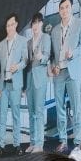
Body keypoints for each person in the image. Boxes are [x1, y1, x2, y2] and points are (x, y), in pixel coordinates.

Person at [50, 0, 81, 153]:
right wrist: (53, 66)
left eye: (67, 7)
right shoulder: (54, 30)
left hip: (73, 71)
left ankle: (78, 141)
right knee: (59, 108)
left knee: (76, 106)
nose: (64, 10)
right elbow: (53, 54)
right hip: (59, 73)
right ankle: (63, 140)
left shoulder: (80, 24)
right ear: (59, 11)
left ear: (71, 8)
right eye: (62, 8)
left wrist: (73, 53)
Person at [0, 13, 29, 156]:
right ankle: (1, 145)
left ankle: (17, 144)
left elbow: (26, 60)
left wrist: (18, 66)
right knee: (2, 116)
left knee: (16, 115)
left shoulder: (23, 41)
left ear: (16, 24)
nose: (9, 27)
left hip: (15, 84)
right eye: (7, 25)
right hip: (4, 84)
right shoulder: (1, 44)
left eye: (12, 24)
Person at [25, 13, 53, 153]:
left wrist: (42, 57)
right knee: (31, 112)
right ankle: (32, 142)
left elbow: (48, 55)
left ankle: (40, 144)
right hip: (30, 78)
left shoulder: (46, 37)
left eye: (37, 22)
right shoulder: (29, 42)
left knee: (39, 111)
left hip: (40, 77)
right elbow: (27, 63)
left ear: (41, 23)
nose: (35, 25)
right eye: (33, 23)